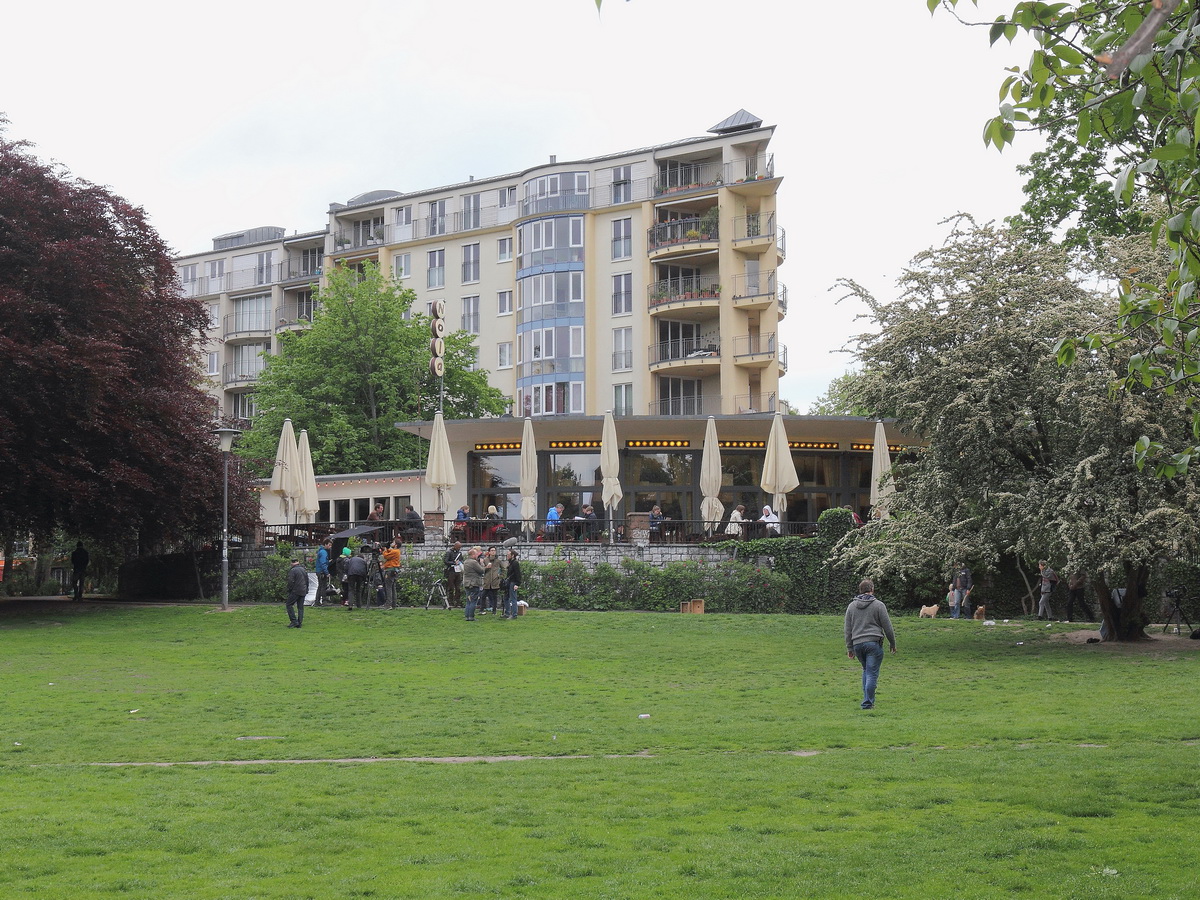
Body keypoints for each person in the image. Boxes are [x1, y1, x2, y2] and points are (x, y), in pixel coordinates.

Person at [844, 578, 896, 710]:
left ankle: (867, 699)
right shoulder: (878, 605)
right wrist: (892, 643)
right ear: (872, 589)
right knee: (872, 673)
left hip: (857, 644)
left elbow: (847, 629)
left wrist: (850, 647)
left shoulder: (851, 606)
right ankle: (868, 703)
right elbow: (887, 626)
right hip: (873, 643)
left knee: (866, 670)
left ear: (860, 590)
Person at [462, 546, 486, 621]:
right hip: (473, 583)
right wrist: (482, 564)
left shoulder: (466, 561)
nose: (477, 556)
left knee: (468, 601)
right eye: (476, 554)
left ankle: (467, 616)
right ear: (472, 555)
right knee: (473, 601)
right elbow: (481, 570)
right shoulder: (474, 562)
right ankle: (471, 617)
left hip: (467, 583)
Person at [285, 558, 308, 628]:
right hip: (303, 590)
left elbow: (291, 581)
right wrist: (307, 589)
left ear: (292, 563)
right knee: (300, 607)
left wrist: (289, 590)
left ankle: (294, 621)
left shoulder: (293, 570)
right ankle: (299, 622)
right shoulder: (303, 569)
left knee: (289, 605)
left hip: (295, 590)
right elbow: (307, 580)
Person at [381, 537, 402, 608]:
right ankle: (393, 604)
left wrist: (384, 550)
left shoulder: (395, 551)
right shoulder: (397, 551)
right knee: (393, 588)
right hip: (394, 571)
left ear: (395, 545)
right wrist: (387, 548)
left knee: (388, 588)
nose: (392, 544)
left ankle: (388, 604)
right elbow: (390, 551)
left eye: (393, 543)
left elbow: (386, 556)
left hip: (390, 570)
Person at [443, 540, 464, 606]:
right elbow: (446, 561)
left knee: (458, 588)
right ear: (455, 546)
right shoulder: (449, 552)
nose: (459, 549)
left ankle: (457, 602)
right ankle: (450, 602)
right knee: (450, 587)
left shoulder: (459, 553)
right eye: (458, 547)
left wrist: (460, 563)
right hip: (451, 571)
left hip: (458, 571)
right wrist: (453, 563)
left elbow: (461, 560)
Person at [481, 546, 501, 615]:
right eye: (492, 550)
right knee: (483, 595)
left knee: (494, 596)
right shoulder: (485, 560)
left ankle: (494, 610)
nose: (493, 552)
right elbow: (482, 569)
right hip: (487, 581)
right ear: (489, 552)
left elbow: (504, 568)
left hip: (495, 581)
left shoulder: (498, 560)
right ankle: (481, 609)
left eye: (494, 550)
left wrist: (500, 576)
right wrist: (486, 567)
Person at [504, 548, 522, 618]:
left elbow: (518, 574)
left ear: (512, 555)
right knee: (506, 597)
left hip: (513, 582)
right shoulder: (510, 563)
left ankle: (514, 614)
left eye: (508, 554)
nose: (507, 556)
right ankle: (507, 613)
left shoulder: (515, 563)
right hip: (509, 582)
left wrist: (517, 584)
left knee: (513, 598)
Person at [314, 539, 332, 606]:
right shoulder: (324, 552)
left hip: (319, 571)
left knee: (320, 586)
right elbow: (323, 563)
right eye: (329, 545)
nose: (330, 547)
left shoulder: (320, 551)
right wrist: (327, 573)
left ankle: (317, 601)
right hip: (322, 571)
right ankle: (324, 601)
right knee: (323, 587)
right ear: (325, 544)